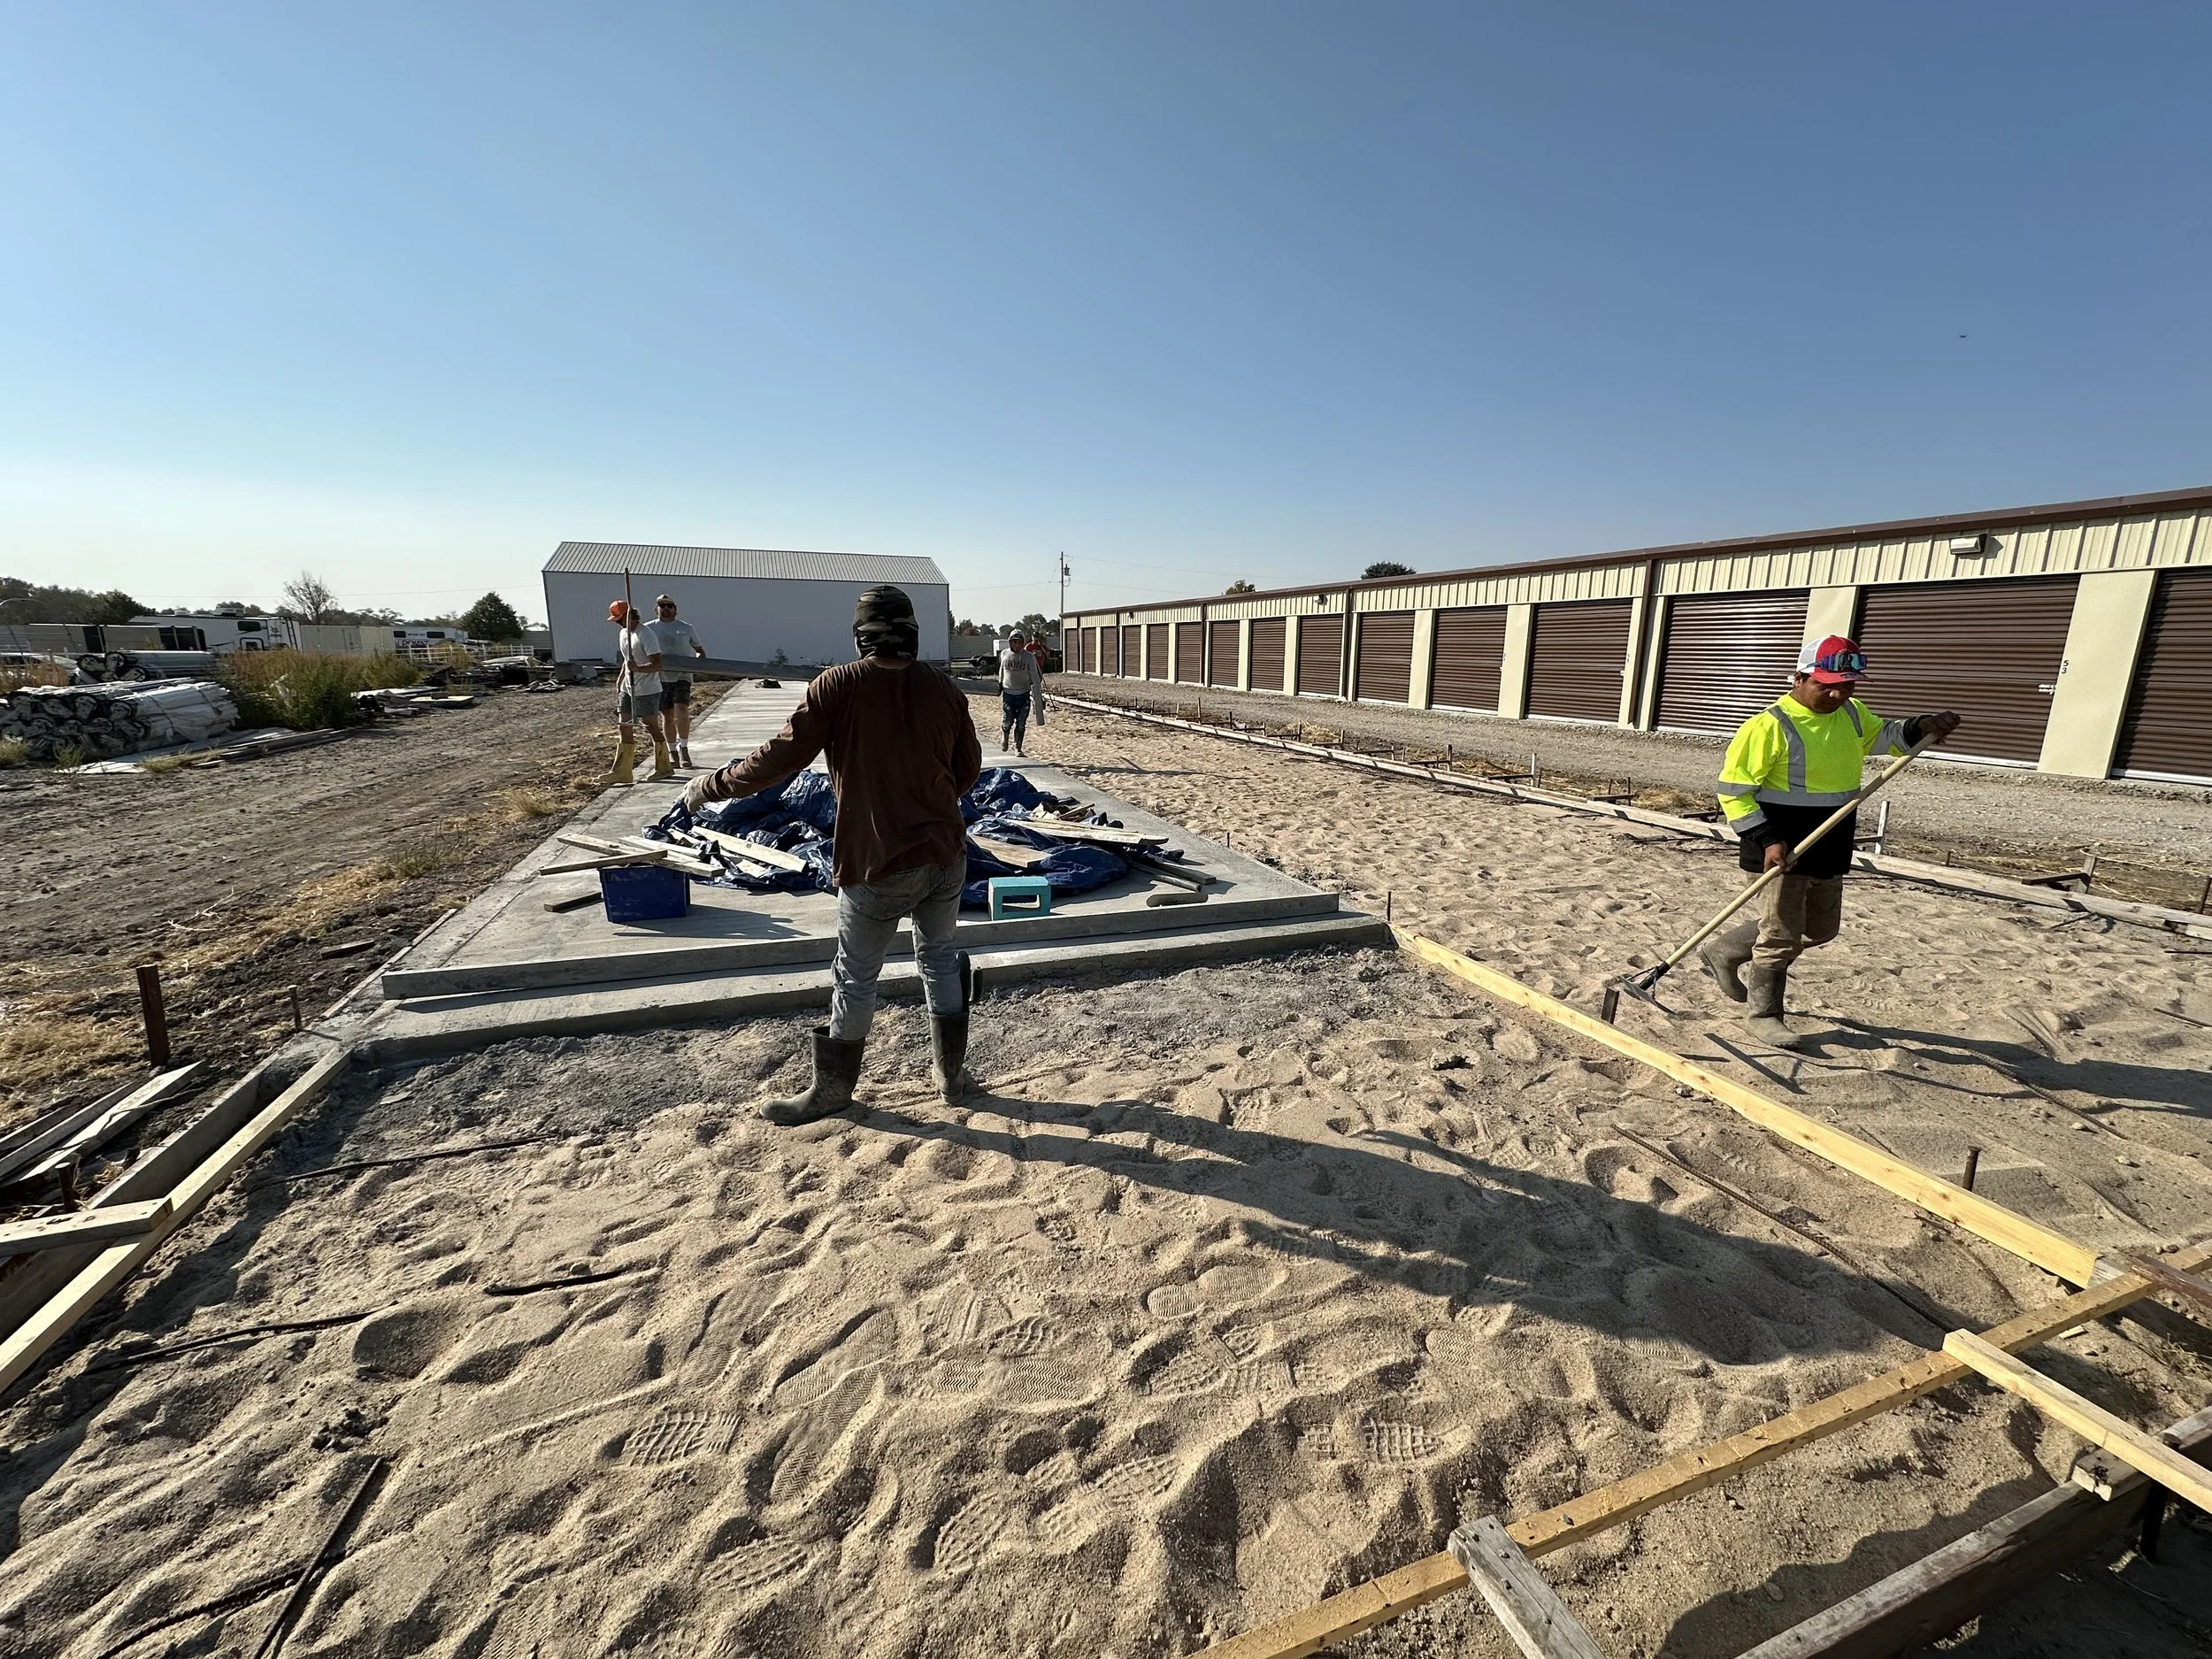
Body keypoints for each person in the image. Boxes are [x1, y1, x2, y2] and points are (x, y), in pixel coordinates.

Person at [683, 585, 983, 1124]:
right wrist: (926, 802)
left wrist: (712, 785)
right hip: (946, 853)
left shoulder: (838, 685)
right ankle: (952, 1078)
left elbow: (778, 759)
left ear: (860, 635)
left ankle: (832, 1092)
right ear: (912, 632)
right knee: (938, 958)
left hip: (877, 863)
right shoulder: (946, 688)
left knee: (855, 975)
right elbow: (967, 770)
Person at [1707, 635, 1961, 1049]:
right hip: (1781, 847)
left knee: (1819, 929)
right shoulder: (1769, 726)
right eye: (1827, 684)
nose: (1837, 693)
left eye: (1847, 685)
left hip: (1831, 841)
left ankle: (1724, 951)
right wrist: (1767, 839)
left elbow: (1887, 737)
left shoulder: (1852, 714)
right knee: (1781, 935)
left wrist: (1923, 725)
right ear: (1801, 677)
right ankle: (1764, 1015)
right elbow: (1733, 792)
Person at [603, 600, 672, 783]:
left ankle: (664, 766)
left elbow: (657, 664)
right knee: (623, 725)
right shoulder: (623, 634)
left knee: (650, 725)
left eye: (620, 618)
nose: (617, 622)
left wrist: (638, 669)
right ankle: (622, 771)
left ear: (630, 615)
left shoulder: (646, 634)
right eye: (615, 619)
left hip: (647, 689)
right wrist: (620, 682)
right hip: (628, 687)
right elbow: (627, 661)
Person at [646, 594, 707, 768]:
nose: (666, 608)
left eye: (669, 605)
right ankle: (672, 751)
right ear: (656, 608)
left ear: (675, 609)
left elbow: (700, 651)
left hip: (682, 675)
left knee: (682, 709)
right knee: (667, 715)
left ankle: (684, 748)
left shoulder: (686, 628)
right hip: (661, 677)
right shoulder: (649, 629)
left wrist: (697, 665)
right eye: (662, 605)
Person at [998, 631, 1040, 755]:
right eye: (1014, 642)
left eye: (1020, 642)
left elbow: (1034, 676)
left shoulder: (1029, 657)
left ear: (1023, 643)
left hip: (1023, 693)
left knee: (1021, 723)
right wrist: (999, 684)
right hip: (1008, 693)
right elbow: (1001, 670)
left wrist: (1038, 693)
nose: (1017, 645)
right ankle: (1005, 736)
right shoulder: (1004, 654)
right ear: (1010, 642)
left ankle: (1017, 747)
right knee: (1008, 720)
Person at [1027, 632, 1049, 727]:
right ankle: (1032, 704)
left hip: (1039, 667)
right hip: (1031, 669)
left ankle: (1039, 705)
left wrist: (1042, 647)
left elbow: (1048, 654)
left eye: (1037, 637)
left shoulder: (1042, 647)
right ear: (1032, 637)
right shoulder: (1028, 647)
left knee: (1038, 686)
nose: (1036, 639)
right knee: (1031, 686)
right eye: (1034, 637)